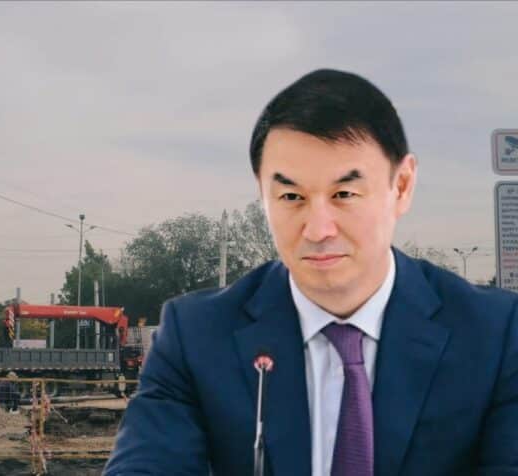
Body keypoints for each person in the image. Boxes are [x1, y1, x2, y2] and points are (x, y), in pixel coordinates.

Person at [104, 69, 518, 475]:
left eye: (344, 194)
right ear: (262, 194)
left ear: (402, 186)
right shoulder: (196, 335)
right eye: (291, 196)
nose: (318, 230)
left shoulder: (496, 335)